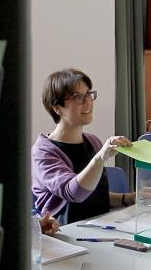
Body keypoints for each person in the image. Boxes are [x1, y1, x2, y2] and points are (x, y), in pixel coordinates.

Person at [31, 68, 139, 224]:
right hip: (66, 237)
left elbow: (93, 196)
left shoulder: (92, 141)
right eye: (78, 97)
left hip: (99, 228)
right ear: (57, 107)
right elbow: (74, 194)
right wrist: (100, 157)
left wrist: (127, 198)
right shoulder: (43, 152)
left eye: (89, 94)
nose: (88, 102)